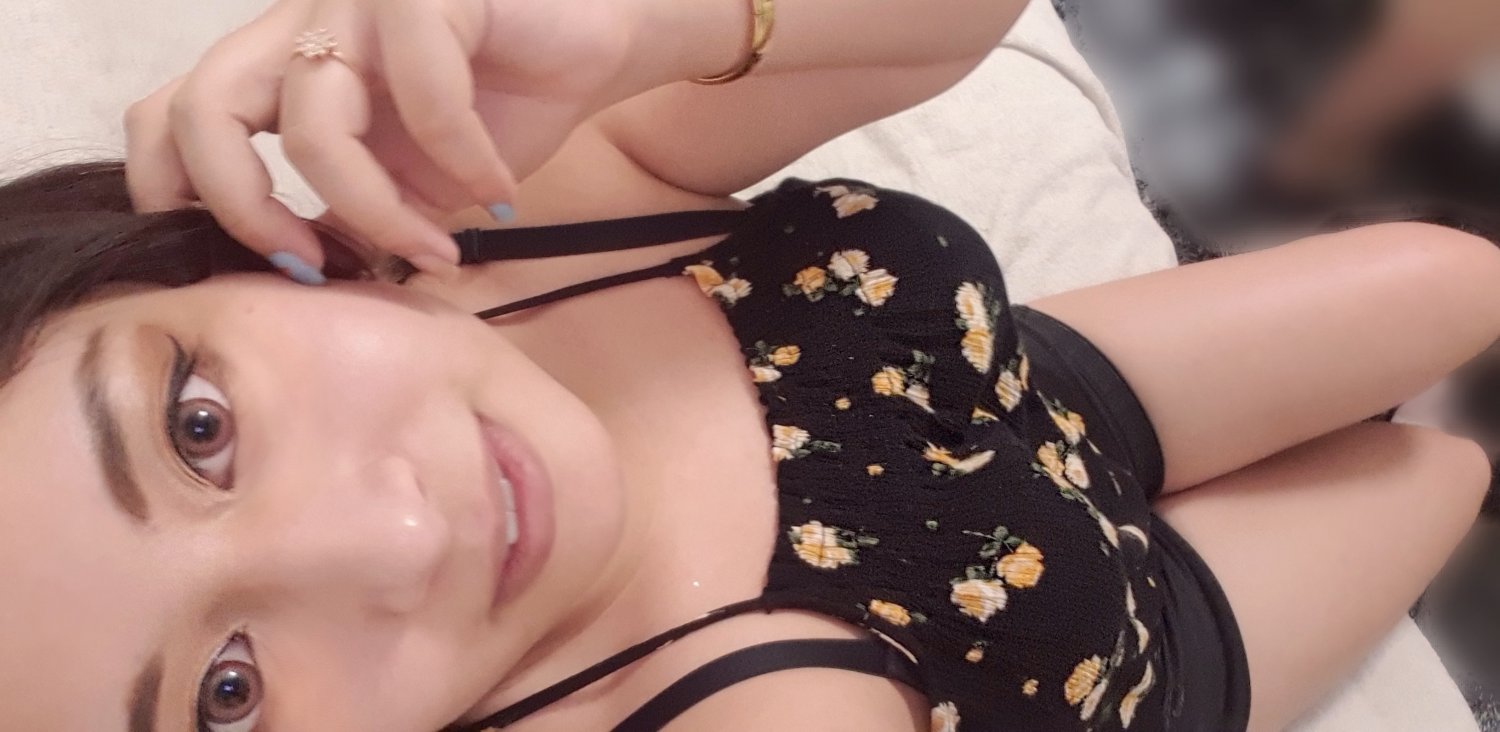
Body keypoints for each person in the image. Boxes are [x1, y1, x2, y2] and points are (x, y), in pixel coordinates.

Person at [0, 0, 1494, 730]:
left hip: (1024, 390)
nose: (397, 537)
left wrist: (649, 28)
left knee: (1460, 280)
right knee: (1442, 461)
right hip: (1131, 645)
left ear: (194, 258)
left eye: (199, 427)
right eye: (230, 697)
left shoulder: (490, 229)